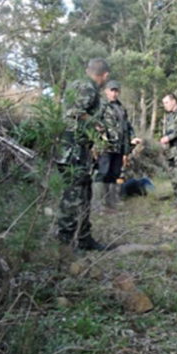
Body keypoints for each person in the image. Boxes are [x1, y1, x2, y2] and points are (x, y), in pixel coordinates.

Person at [56, 57, 110, 250]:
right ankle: (66, 242)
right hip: (73, 151)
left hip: (77, 150)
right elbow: (75, 111)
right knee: (74, 196)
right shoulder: (87, 88)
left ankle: (84, 238)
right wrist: (97, 123)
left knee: (84, 194)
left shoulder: (77, 84)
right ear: (104, 75)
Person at [96, 79, 141, 210]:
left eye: (116, 91)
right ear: (106, 91)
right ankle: (99, 203)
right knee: (103, 172)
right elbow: (93, 122)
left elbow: (127, 126)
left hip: (119, 147)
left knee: (115, 173)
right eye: (112, 90)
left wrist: (132, 139)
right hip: (105, 147)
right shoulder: (101, 106)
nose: (114, 94)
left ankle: (111, 202)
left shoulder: (121, 108)